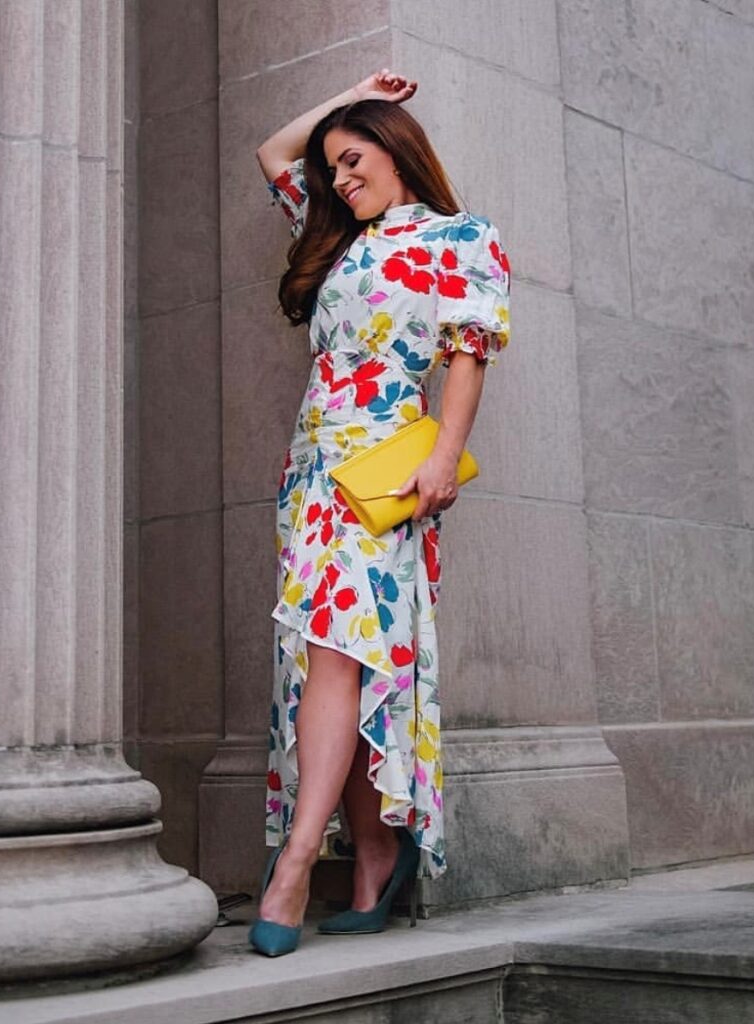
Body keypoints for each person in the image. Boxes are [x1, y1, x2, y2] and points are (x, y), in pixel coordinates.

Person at [249, 68, 511, 957]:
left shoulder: (459, 238)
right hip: (313, 474)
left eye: (356, 160)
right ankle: (371, 851)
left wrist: (443, 460)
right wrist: (348, 98)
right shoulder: (337, 239)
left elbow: (468, 355)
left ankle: (290, 871)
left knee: (339, 650)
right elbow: (273, 154)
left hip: (388, 472)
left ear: (399, 154)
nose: (341, 179)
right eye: (336, 169)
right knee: (336, 661)